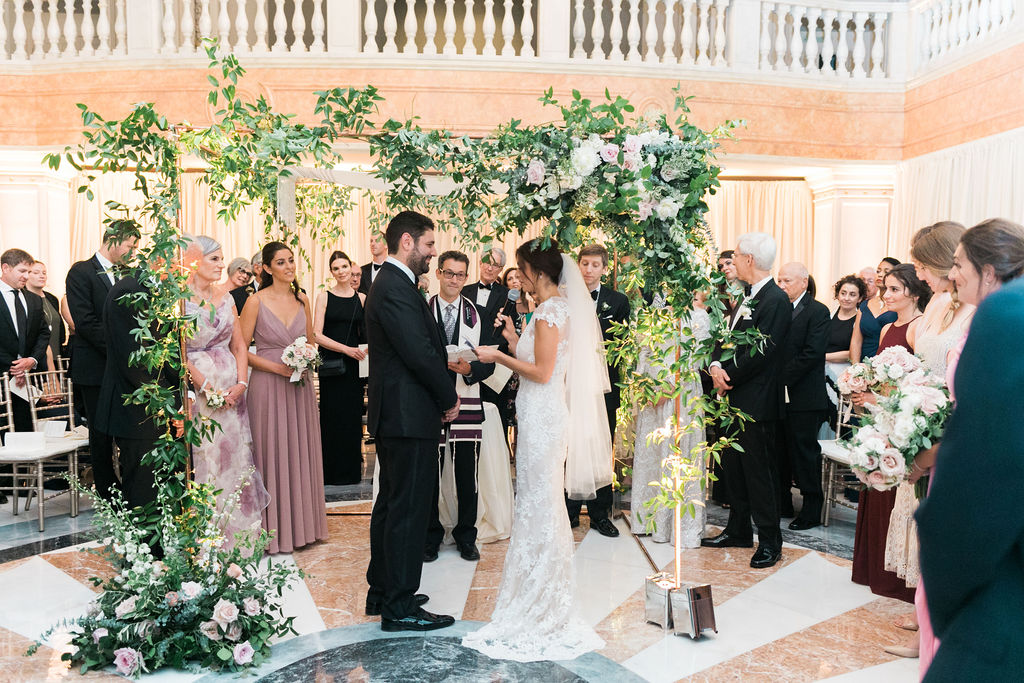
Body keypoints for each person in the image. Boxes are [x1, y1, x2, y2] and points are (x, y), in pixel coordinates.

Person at [464, 237, 609, 661]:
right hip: (539, 416)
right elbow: (544, 360)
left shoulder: (549, 312)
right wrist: (512, 340)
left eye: (522, 269)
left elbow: (543, 373)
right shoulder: (553, 309)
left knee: (540, 504)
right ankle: (539, 588)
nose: (519, 276)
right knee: (537, 502)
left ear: (538, 272)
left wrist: (497, 356)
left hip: (544, 418)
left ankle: (544, 598)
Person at [916, 218, 1024, 679]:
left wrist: (951, 604)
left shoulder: (1005, 318)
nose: (951, 274)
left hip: (1002, 572)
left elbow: (982, 474)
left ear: (990, 269)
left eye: (958, 264)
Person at [363, 211, 459, 632]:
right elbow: (419, 352)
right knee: (407, 509)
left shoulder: (394, 283)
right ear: (407, 241)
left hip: (400, 414)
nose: (432, 252)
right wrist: (447, 395)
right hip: (407, 414)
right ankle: (398, 606)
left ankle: (384, 589)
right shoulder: (395, 286)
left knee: (392, 505)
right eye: (429, 245)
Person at [884, 222, 975, 656]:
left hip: (953, 431)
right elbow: (919, 364)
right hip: (922, 422)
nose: (918, 274)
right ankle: (926, 630)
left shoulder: (977, 310)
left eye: (922, 264)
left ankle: (938, 633)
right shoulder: (938, 305)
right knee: (923, 528)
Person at [703, 232, 791, 569]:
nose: (733, 260)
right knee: (734, 471)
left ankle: (770, 541)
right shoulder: (746, 295)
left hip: (756, 402)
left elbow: (763, 352)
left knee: (759, 473)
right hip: (733, 397)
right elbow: (725, 337)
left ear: (750, 260)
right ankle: (738, 529)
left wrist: (727, 376)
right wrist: (714, 365)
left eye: (737, 255)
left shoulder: (775, 300)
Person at [239, 241, 328, 555]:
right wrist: (277, 367)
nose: (289, 267)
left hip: (299, 387)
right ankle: (271, 532)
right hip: (268, 386)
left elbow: (311, 342)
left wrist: (306, 358)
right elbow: (241, 350)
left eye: (291, 260)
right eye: (281, 262)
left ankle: (304, 527)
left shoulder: (302, 299)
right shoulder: (255, 301)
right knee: (271, 453)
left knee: (299, 450)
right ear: (265, 268)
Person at [850, 264, 930, 605]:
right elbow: (884, 380)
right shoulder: (886, 330)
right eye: (887, 289)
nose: (886, 295)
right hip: (882, 420)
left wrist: (876, 398)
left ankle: (898, 578)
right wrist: (863, 389)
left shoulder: (919, 328)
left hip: (903, 421)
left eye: (895, 289)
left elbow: (919, 386)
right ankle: (874, 568)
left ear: (913, 292)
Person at [184, 236, 269, 551]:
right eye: (215, 260)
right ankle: (208, 539)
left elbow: (238, 345)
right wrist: (205, 386)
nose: (222, 265)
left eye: (222, 259)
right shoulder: (178, 300)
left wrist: (241, 383)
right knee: (207, 459)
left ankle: (241, 538)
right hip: (200, 392)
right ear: (196, 260)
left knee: (236, 458)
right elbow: (179, 351)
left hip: (233, 390)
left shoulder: (228, 298)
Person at [93, 263, 181, 522]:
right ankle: (143, 554)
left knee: (162, 481)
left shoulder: (157, 290)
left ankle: (164, 547)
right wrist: (168, 403)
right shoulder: (129, 291)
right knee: (142, 486)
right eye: (185, 264)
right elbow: (136, 360)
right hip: (138, 406)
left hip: (156, 403)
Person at [424, 250, 495, 562]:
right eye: (449, 273)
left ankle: (467, 536)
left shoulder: (478, 314)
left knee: (468, 476)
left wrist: (470, 371)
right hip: (429, 403)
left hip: (467, 399)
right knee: (429, 473)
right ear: (439, 273)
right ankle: (430, 536)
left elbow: (489, 362)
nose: (454, 280)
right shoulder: (421, 310)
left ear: (467, 277)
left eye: (460, 275)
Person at [631, 292, 710, 546]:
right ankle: (649, 520)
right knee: (653, 454)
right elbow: (644, 351)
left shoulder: (699, 317)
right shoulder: (653, 317)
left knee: (677, 454)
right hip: (652, 397)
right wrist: (645, 385)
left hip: (681, 394)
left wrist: (669, 386)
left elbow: (695, 358)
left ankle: (679, 526)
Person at [66, 232, 137, 500]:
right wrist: (121, 350)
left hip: (126, 366)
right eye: (130, 245)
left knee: (127, 427)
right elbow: (85, 322)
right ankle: (107, 491)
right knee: (100, 433)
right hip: (95, 365)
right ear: (114, 240)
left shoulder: (130, 274)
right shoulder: (81, 272)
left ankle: (131, 487)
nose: (133, 251)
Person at [568, 243, 630, 538]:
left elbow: (621, 346)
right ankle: (567, 509)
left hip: (604, 388)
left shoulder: (617, 301)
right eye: (584, 263)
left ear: (604, 268)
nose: (589, 270)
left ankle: (599, 513)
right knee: (569, 445)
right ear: (578, 265)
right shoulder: (564, 296)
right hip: (569, 384)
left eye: (595, 265)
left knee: (601, 447)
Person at [776, 262, 831, 531]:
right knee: (780, 450)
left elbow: (812, 353)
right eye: (779, 281)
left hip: (805, 395)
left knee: (804, 453)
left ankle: (811, 509)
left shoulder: (818, 311)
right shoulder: (778, 307)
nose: (782, 286)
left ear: (803, 282)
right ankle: (783, 503)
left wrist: (779, 377)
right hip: (779, 395)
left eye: (786, 281)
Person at [313, 251, 367, 485]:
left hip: (355, 367)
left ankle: (352, 473)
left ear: (351, 268)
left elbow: (366, 333)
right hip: (332, 367)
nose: (342, 271)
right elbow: (316, 334)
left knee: (353, 418)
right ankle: (329, 473)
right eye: (337, 268)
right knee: (331, 418)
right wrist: (345, 349)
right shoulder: (324, 297)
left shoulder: (362, 299)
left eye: (345, 266)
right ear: (331, 272)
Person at [0, 249, 52, 431]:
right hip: (3, 372)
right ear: (5, 268)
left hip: (25, 377)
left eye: (29, 272)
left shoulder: (33, 300)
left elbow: (44, 333)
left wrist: (32, 360)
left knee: (25, 430)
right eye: (22, 271)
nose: (26, 276)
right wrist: (14, 366)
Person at [497, 267, 533, 430]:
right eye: (510, 278)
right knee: (506, 409)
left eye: (517, 277)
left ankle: (518, 444)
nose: (514, 281)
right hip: (507, 363)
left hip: (526, 363)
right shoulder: (503, 306)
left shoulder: (533, 304)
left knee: (524, 412)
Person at [857, 257, 900, 360]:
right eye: (878, 271)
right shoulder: (865, 305)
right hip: (863, 364)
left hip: (888, 365)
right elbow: (856, 341)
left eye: (886, 271)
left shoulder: (899, 305)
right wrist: (856, 367)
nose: (880, 274)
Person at [27, 261, 65, 364]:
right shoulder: (23, 299)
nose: (42, 276)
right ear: (26, 275)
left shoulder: (52, 298)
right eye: (36, 273)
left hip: (56, 355)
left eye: (44, 273)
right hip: (35, 358)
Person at [827, 275, 866, 363]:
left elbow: (854, 351)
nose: (846, 298)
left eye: (852, 295)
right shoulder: (828, 315)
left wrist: (824, 356)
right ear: (837, 295)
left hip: (843, 370)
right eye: (843, 293)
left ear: (859, 298)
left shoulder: (860, 321)